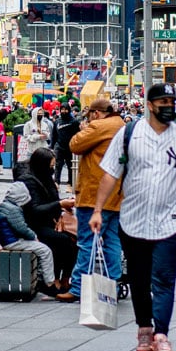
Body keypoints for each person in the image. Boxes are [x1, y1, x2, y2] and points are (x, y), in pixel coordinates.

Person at [89, 81, 176, 351]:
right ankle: (144, 329)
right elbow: (110, 174)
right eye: (163, 102)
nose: (169, 107)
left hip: (171, 220)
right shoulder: (129, 134)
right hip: (134, 219)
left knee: (164, 278)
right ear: (150, 105)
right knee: (139, 279)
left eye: (172, 102)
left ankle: (161, 335)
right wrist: (98, 210)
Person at [68, 97, 125, 302]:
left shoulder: (98, 126)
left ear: (96, 113)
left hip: (93, 195)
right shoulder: (122, 125)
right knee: (112, 243)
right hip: (116, 195)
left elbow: (75, 145)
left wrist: (84, 129)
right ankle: (113, 286)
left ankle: (78, 287)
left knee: (87, 242)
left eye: (90, 115)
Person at [20, 149, 78, 297]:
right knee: (62, 241)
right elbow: (35, 209)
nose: (53, 169)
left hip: (49, 222)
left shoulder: (46, 179)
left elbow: (53, 201)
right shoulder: (29, 181)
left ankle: (65, 278)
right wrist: (60, 204)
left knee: (74, 239)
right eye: (51, 166)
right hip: (33, 225)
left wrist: (62, 206)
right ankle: (55, 279)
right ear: (42, 165)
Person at [52, 103, 80, 186]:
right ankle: (56, 183)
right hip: (59, 147)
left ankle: (70, 183)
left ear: (69, 110)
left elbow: (77, 135)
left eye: (66, 109)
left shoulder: (74, 122)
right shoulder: (57, 121)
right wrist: (52, 147)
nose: (64, 111)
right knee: (58, 166)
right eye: (62, 109)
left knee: (70, 166)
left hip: (70, 147)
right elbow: (54, 135)